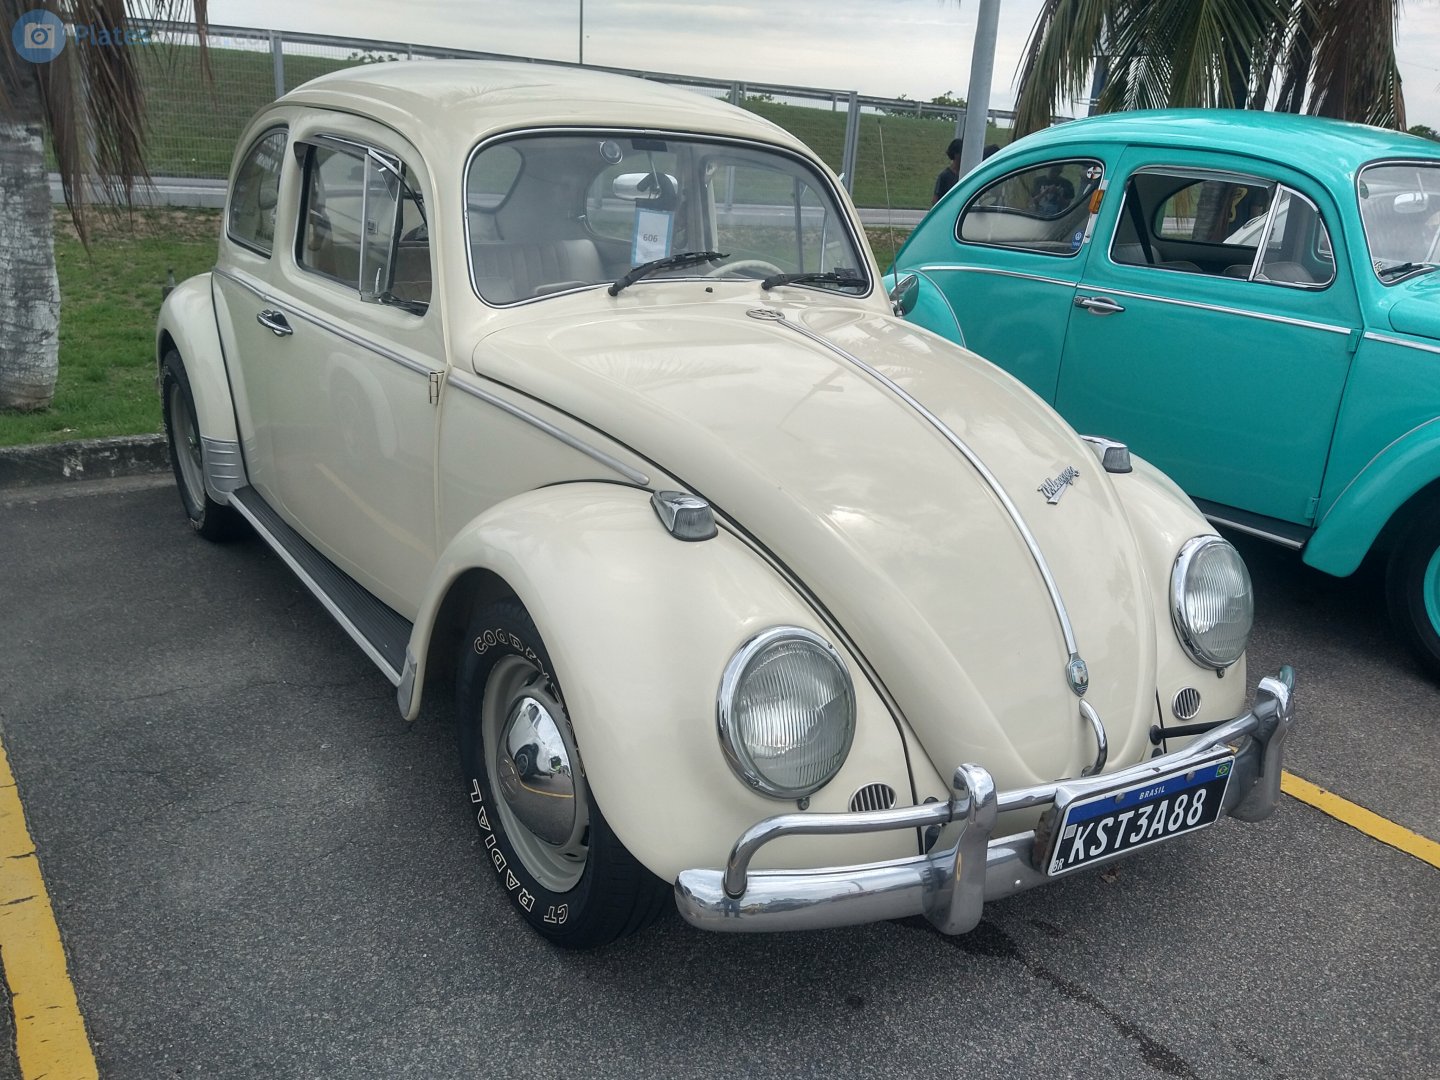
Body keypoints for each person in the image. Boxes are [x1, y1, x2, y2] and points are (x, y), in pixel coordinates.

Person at [932, 138, 963, 206]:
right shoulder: (945, 176)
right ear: (956, 154)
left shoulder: (967, 174)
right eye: (962, 153)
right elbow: (935, 200)